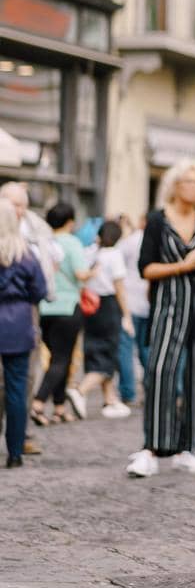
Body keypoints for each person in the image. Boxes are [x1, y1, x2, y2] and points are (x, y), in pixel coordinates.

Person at [128, 162, 195, 478]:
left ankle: (188, 448)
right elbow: (146, 268)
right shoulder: (157, 220)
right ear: (174, 184)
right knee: (160, 373)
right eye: (189, 181)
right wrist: (185, 265)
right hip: (168, 308)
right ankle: (151, 448)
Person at [67, 220, 133, 420]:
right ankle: (80, 390)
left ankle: (109, 399)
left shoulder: (90, 252)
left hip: (90, 306)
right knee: (108, 352)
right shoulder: (114, 255)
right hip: (108, 305)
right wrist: (127, 315)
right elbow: (119, 288)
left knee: (94, 349)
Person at [0, 199, 48, 466]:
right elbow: (40, 291)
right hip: (18, 325)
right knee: (17, 391)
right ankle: (15, 452)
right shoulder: (27, 256)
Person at [32, 204, 88, 424]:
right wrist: (95, 271)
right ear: (70, 222)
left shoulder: (42, 241)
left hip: (45, 308)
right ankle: (38, 403)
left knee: (58, 358)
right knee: (61, 359)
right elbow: (80, 273)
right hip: (67, 306)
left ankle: (59, 407)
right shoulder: (72, 242)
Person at [117, 214, 150, 406]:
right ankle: (150, 389)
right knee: (147, 349)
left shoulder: (129, 242)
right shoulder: (160, 241)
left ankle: (128, 392)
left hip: (129, 301)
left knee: (126, 349)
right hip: (148, 302)